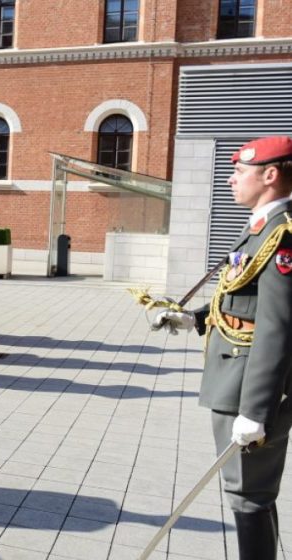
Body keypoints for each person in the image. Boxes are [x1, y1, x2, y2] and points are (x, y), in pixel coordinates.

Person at [152, 136, 292, 560]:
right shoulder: (260, 226)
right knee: (248, 496)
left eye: (239, 172)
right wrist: (193, 319)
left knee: (249, 497)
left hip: (250, 387)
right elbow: (239, 297)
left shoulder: (282, 235)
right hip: (237, 378)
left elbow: (277, 327)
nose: (231, 180)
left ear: (269, 175)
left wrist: (256, 410)